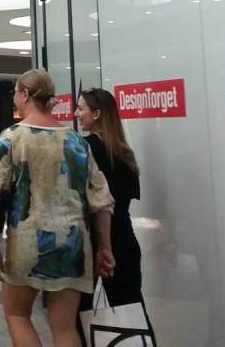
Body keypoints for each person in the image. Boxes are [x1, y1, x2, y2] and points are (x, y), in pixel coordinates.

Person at [0, 69, 115, 347]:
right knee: (65, 327)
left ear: (25, 95)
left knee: (17, 314)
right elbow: (101, 198)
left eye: (15, 93)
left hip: (27, 244)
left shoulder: (11, 138)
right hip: (74, 245)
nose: (14, 99)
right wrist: (105, 246)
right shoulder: (77, 141)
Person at [74, 87, 143, 308]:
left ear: (96, 114)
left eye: (80, 108)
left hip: (91, 243)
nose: (76, 114)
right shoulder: (124, 154)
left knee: (78, 316)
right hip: (124, 240)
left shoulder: (82, 149)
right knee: (130, 315)